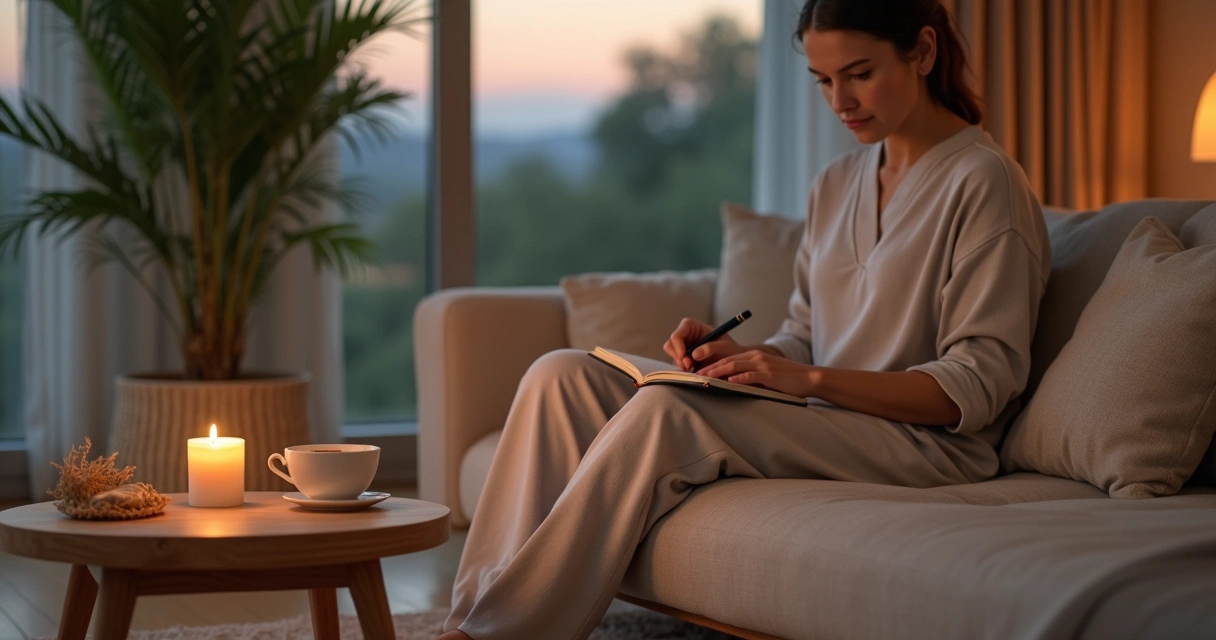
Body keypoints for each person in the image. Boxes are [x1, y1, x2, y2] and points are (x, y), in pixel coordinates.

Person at [436, 0, 1049, 638]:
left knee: (666, 411)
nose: (840, 100)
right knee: (560, 376)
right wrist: (740, 357)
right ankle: (471, 616)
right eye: (823, 80)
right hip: (825, 419)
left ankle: (497, 635)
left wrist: (808, 382)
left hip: (924, 445)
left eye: (859, 73)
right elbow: (805, 336)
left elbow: (975, 386)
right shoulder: (837, 182)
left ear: (923, 52)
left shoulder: (987, 183)